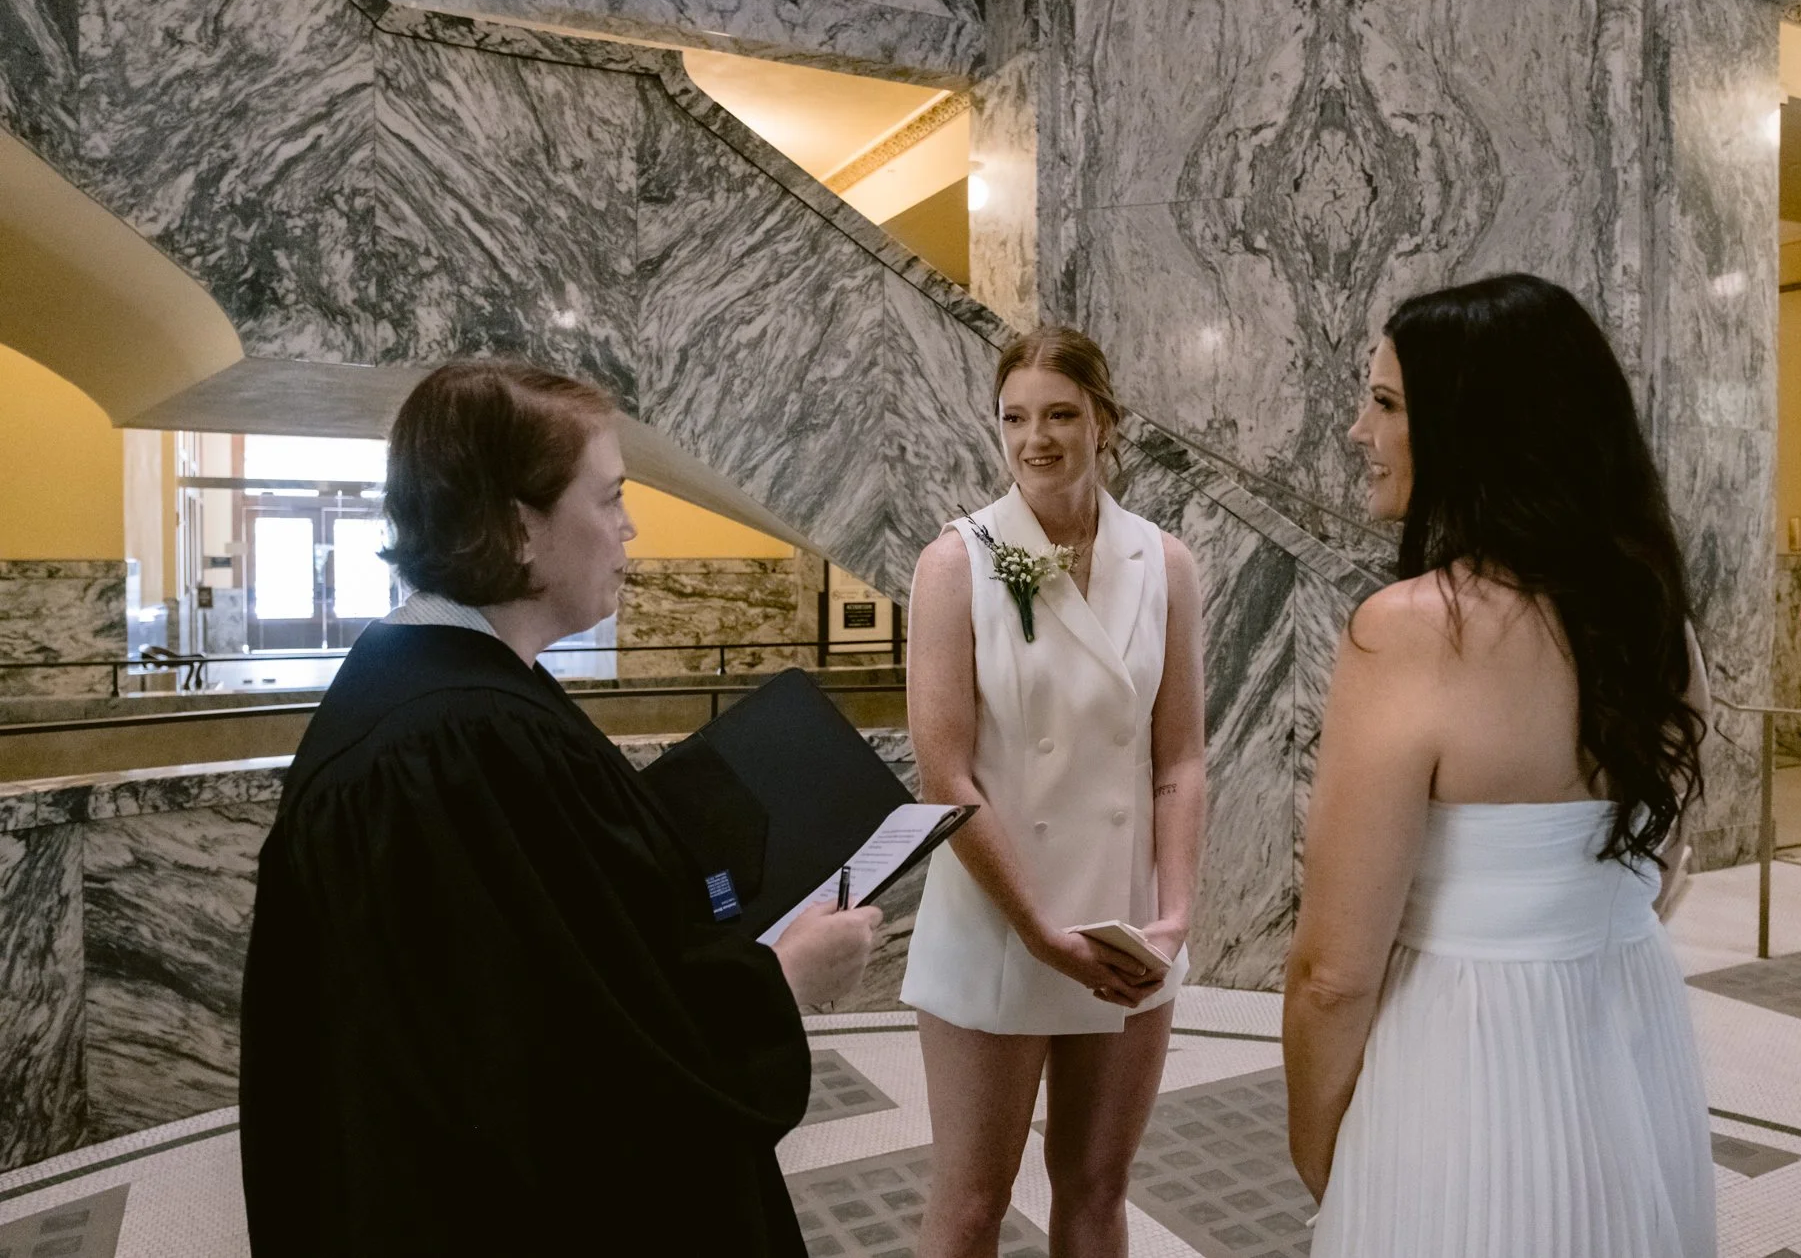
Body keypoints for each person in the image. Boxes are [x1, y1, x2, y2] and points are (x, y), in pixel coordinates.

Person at [239, 361, 880, 1256]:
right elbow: (573, 1070)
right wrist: (786, 984)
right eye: (610, 496)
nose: (629, 528)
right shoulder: (455, 747)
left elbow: (559, 940)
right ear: (518, 527)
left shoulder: (449, 694)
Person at [1283, 274, 1716, 1257]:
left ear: (1474, 429)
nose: (1357, 429)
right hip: (1628, 1047)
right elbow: (1658, 873)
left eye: (1386, 403)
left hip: (1463, 1060)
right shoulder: (1651, 621)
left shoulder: (1406, 632)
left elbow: (1330, 972)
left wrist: (1321, 1154)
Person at [900, 325, 1209, 1257]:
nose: (1037, 438)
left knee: (1097, 1188)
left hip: (1123, 925)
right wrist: (1038, 929)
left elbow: (1180, 759)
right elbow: (944, 775)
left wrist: (1174, 915)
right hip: (1000, 921)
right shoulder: (956, 563)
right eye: (1015, 416)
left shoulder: (1166, 563)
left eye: (1061, 414)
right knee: (971, 1201)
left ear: (1105, 422)